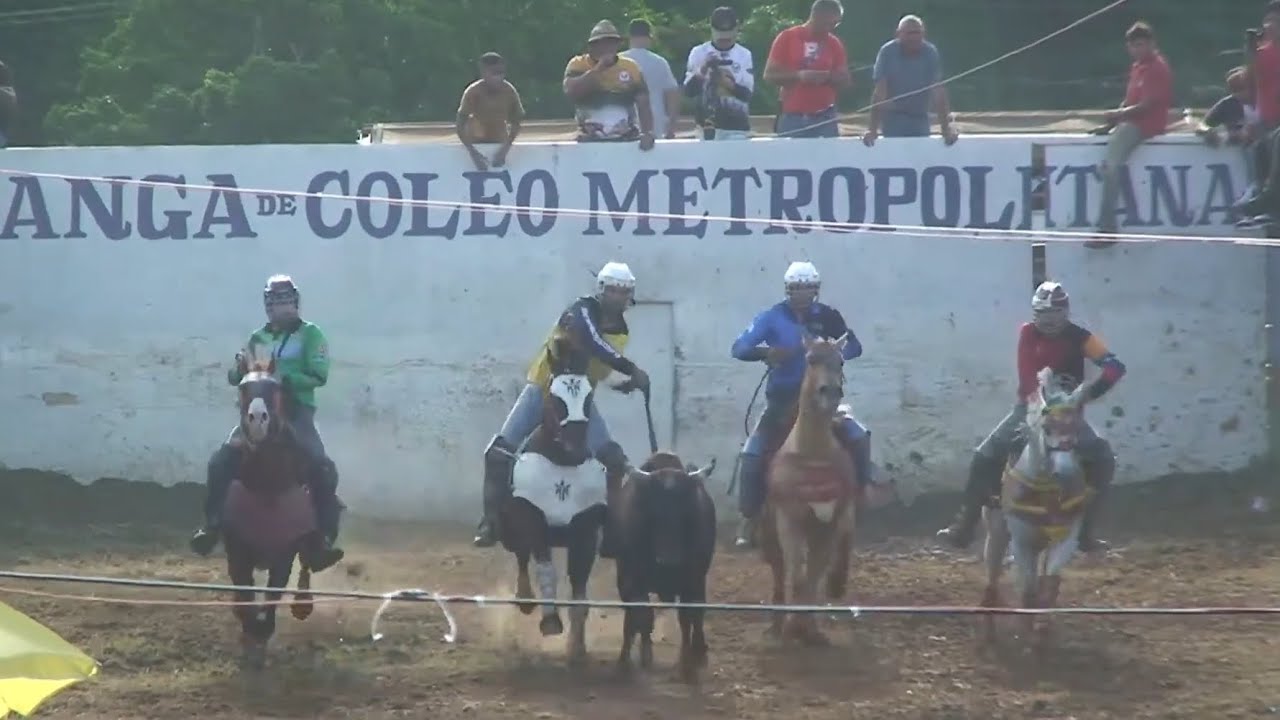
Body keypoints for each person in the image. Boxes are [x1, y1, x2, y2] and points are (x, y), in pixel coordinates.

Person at [473, 261, 652, 553]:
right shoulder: (580, 310)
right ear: (602, 291)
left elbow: (600, 367)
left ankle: (612, 528)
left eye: (624, 292)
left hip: (581, 396)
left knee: (612, 457)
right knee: (499, 452)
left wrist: (625, 385)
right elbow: (594, 343)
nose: (617, 297)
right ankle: (490, 521)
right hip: (543, 389)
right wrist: (631, 368)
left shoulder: (622, 333)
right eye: (613, 290)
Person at [935, 281, 1126, 555]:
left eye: (1054, 314)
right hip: (1029, 410)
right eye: (1043, 314)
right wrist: (1048, 403)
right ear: (1035, 314)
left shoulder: (1082, 337)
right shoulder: (1028, 333)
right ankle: (965, 526)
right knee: (983, 456)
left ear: (1065, 313)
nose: (1049, 321)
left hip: (1067, 416)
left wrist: (1087, 394)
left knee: (1104, 459)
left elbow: (1115, 366)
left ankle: (1085, 532)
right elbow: (1027, 381)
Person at [190, 275, 345, 573]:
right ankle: (211, 527)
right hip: (258, 408)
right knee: (221, 461)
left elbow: (319, 375)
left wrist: (286, 379)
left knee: (320, 464)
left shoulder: (312, 335)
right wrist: (238, 369)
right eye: (275, 303)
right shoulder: (257, 337)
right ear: (267, 306)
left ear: (295, 303)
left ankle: (321, 540)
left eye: (286, 301)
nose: (281, 308)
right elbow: (237, 378)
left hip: (296, 411)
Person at [728, 261, 869, 549]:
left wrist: (833, 351)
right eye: (796, 288)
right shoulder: (771, 317)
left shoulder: (828, 316)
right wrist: (765, 352)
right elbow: (739, 348)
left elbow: (855, 346)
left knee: (858, 436)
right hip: (782, 402)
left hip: (824, 401)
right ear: (787, 290)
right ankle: (749, 516)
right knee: (752, 454)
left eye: (807, 288)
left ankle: (861, 495)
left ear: (816, 290)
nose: (802, 294)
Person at [1092, 21, 1173, 242]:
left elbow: (1146, 105)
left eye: (1141, 45)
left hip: (1146, 123)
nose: (1138, 50)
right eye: (1134, 46)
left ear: (1152, 44)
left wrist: (1118, 116)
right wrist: (1112, 123)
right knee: (1108, 156)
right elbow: (1130, 100)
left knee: (1111, 167)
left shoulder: (1157, 67)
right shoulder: (1138, 67)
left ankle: (1107, 228)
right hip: (1133, 120)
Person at [863, 15, 958, 145]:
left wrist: (946, 128)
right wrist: (872, 130)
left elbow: (938, 91)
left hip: (920, 117)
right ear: (898, 34)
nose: (914, 37)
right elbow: (880, 92)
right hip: (893, 118)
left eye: (917, 33)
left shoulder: (930, 52)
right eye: (909, 33)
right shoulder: (887, 52)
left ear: (923, 34)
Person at [763, 0, 850, 139]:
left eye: (835, 24)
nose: (831, 28)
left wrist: (827, 77)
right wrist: (799, 76)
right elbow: (769, 75)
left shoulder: (834, 43)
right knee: (790, 159)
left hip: (825, 115)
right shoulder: (787, 37)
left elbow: (845, 78)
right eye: (828, 23)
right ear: (816, 15)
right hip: (793, 115)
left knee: (828, 158)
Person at [563, 20, 656, 149]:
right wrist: (598, 69)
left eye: (612, 42)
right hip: (588, 138)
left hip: (625, 136)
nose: (607, 47)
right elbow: (572, 92)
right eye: (602, 43)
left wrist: (647, 132)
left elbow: (643, 103)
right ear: (592, 46)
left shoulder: (630, 67)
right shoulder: (578, 64)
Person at [683, 6, 755, 140]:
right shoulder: (698, 52)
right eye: (720, 38)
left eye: (728, 39)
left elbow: (747, 95)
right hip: (705, 128)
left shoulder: (744, 54)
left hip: (737, 127)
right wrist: (704, 68)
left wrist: (726, 83)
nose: (724, 42)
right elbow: (689, 91)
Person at [456, 52, 525, 172]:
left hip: (500, 141)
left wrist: (505, 149)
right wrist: (473, 153)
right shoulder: (473, 92)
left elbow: (517, 121)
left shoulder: (509, 91)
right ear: (483, 73)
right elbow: (460, 124)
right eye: (494, 74)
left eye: (501, 73)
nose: (499, 78)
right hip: (476, 142)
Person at [621, 19, 681, 140]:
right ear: (649, 37)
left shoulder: (618, 61)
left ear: (629, 37)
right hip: (655, 123)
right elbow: (672, 96)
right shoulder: (660, 62)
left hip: (622, 124)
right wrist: (671, 127)